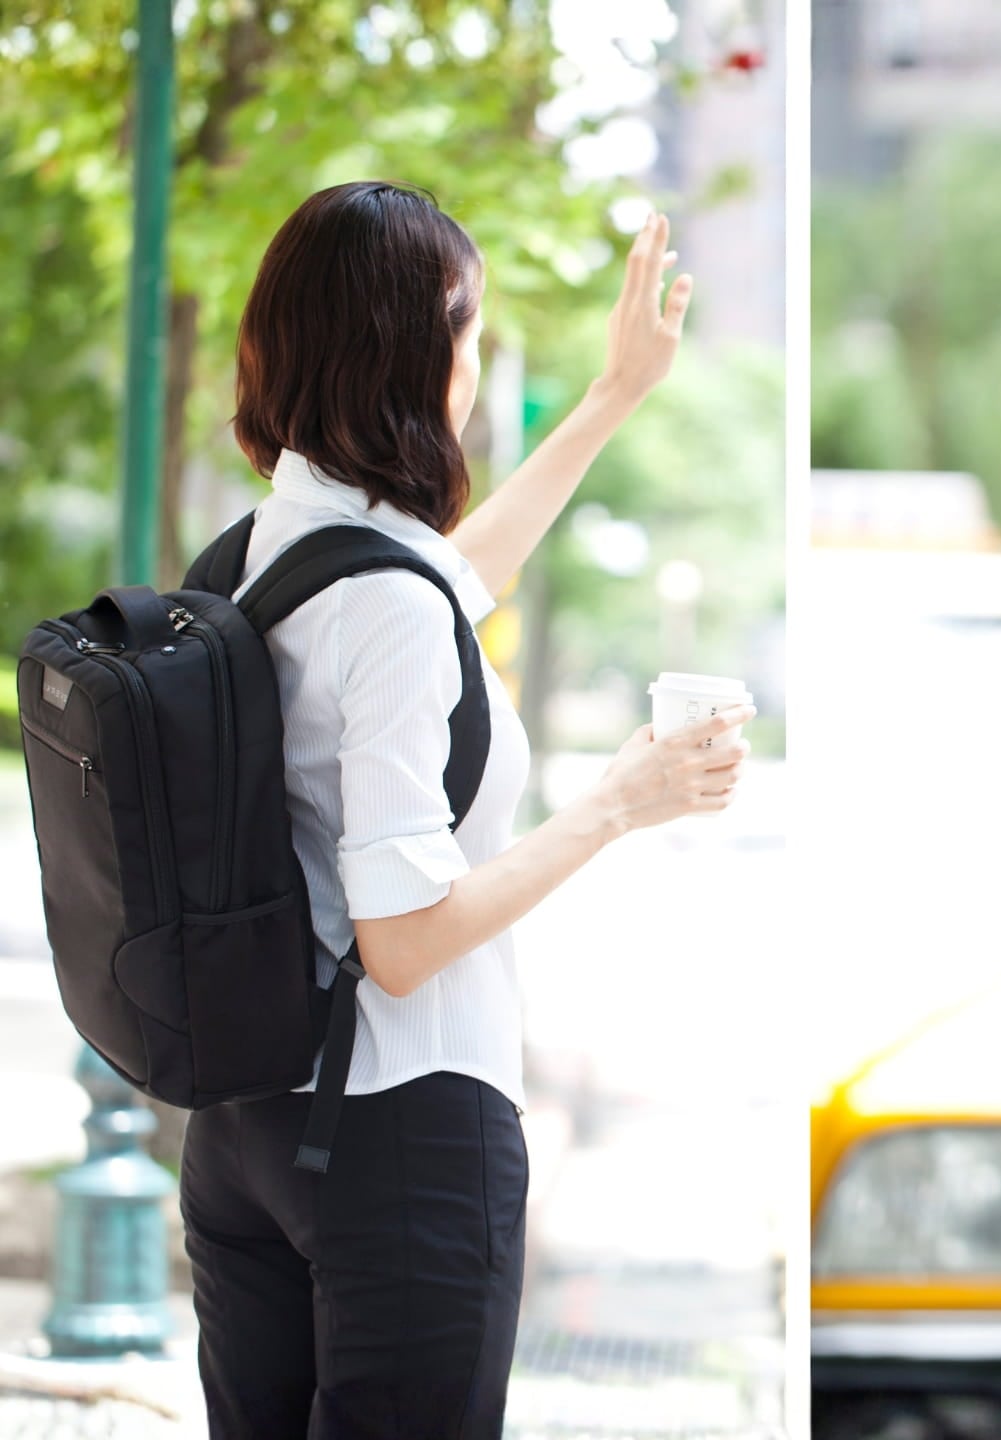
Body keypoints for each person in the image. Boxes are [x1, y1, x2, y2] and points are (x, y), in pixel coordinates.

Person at [179, 181, 752, 1438]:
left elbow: (444, 589)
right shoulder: (375, 599)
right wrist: (618, 799)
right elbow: (406, 939)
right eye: (470, 331)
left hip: (249, 1131)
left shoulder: (274, 545)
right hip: (393, 1143)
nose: (476, 365)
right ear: (417, 350)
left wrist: (613, 397)